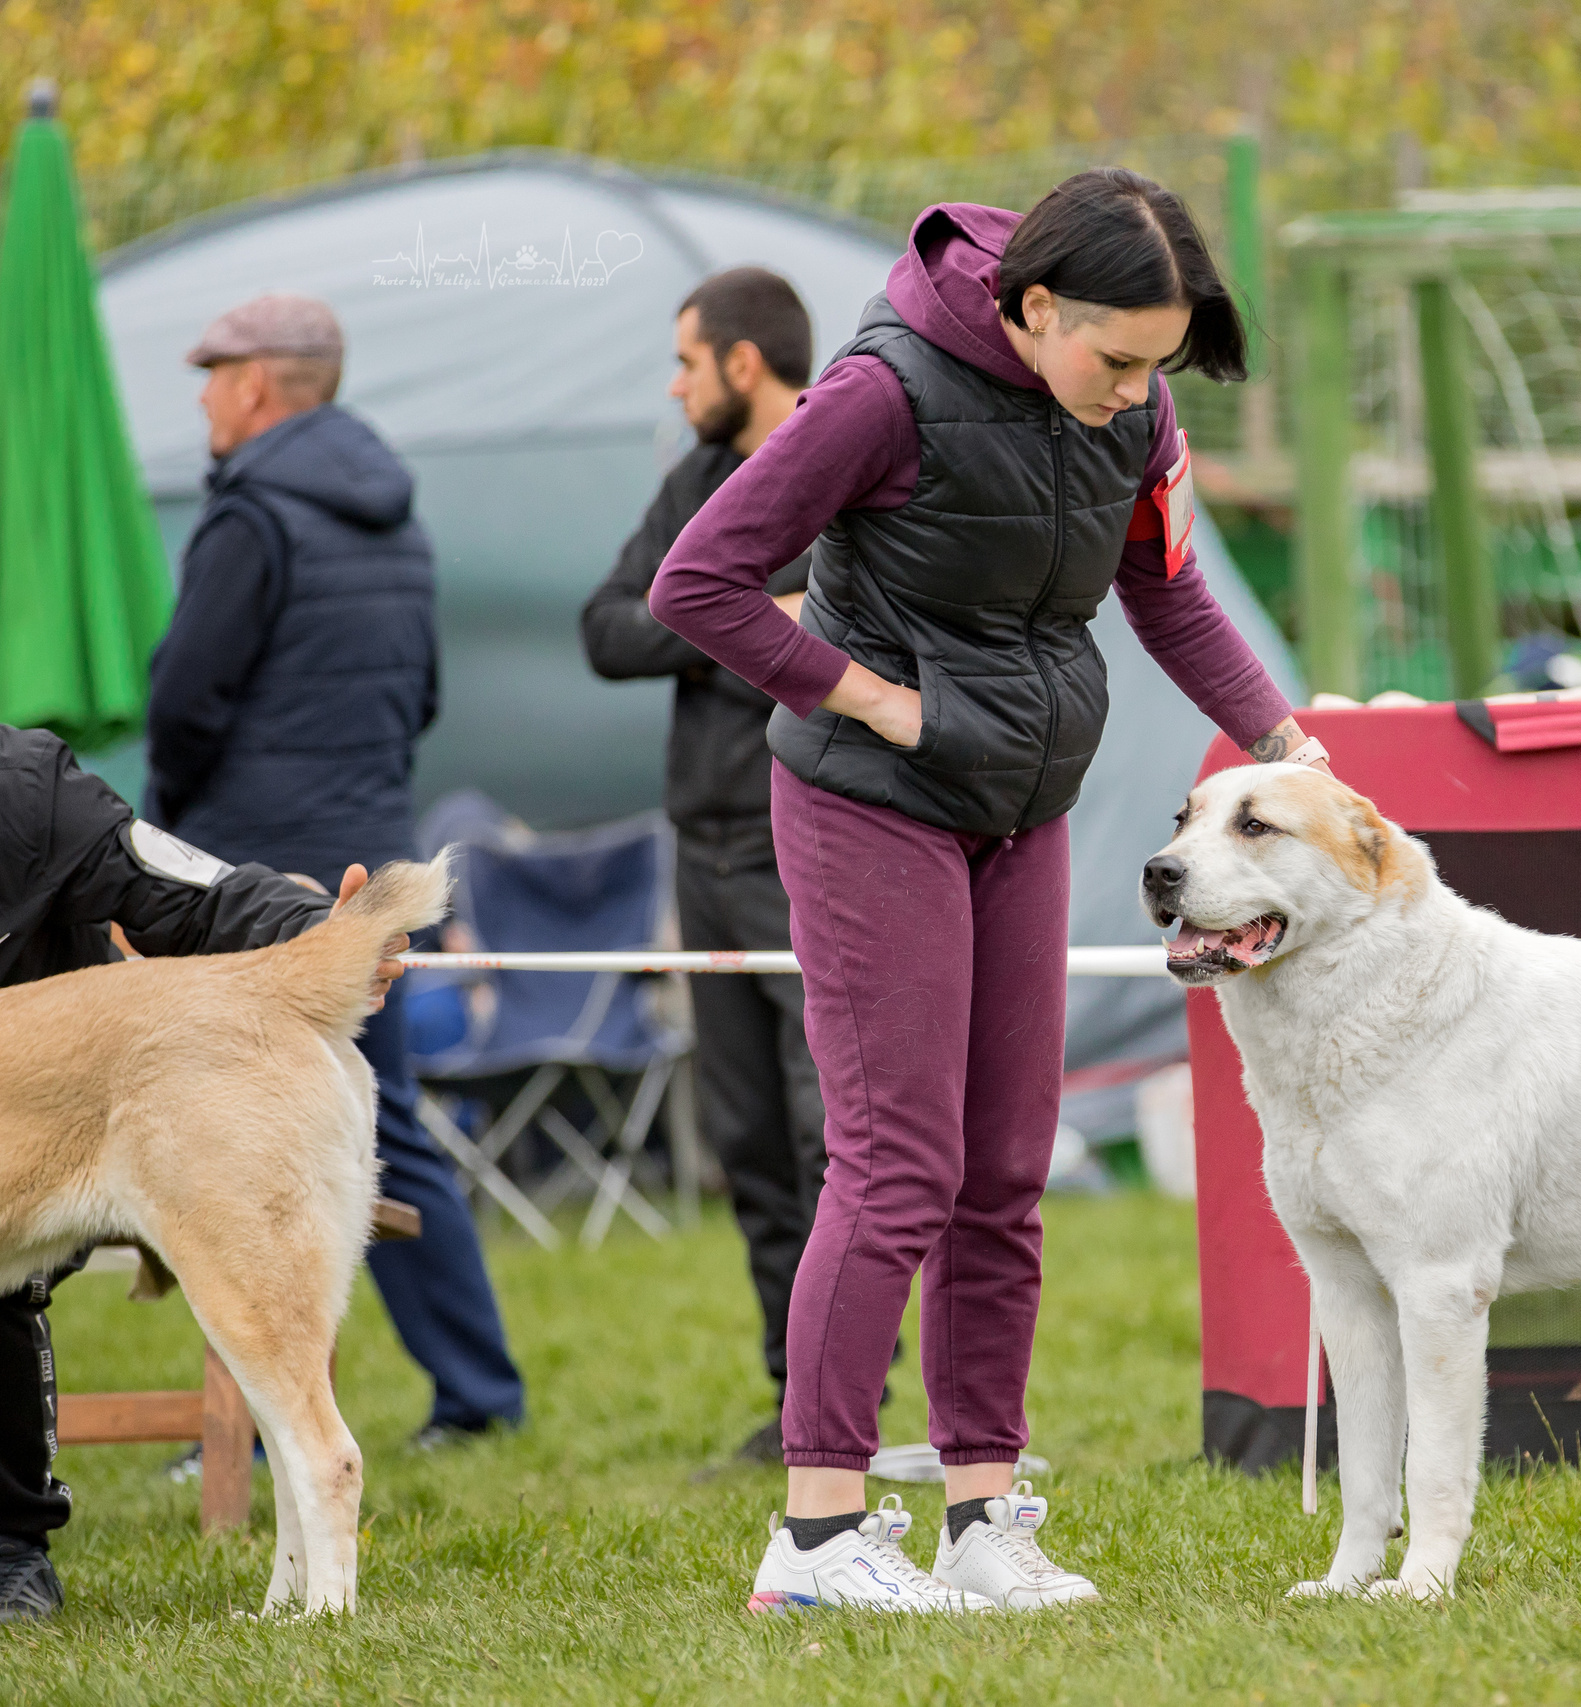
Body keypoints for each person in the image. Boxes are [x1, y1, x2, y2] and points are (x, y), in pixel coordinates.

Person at [651, 170, 1326, 1614]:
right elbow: (697, 581)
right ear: (1031, 309)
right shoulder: (879, 394)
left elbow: (1167, 590)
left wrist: (1285, 737)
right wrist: (870, 702)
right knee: (897, 1160)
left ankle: (980, 1517)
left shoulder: (1128, 409)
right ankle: (819, 1539)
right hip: (864, 796)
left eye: (1160, 363)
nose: (1143, 392)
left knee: (1006, 1168)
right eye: (1121, 358)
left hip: (1024, 800)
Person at [146, 294, 524, 1447]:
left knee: (241, 1158)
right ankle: (479, 1396)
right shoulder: (398, 521)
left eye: (211, 373)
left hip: (255, 882)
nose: (203, 394)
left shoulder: (250, 519)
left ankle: (254, 1432)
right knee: (388, 1130)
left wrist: (172, 834)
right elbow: (422, 700)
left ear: (259, 383)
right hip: (366, 873)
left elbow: (184, 701)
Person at [0, 726, 407, 1621]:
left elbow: (188, 891)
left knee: (260, 1333)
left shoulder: (26, 785)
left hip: (124, 1085)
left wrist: (320, 931)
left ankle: (14, 1549)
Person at [581, 268, 835, 1464]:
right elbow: (608, 627)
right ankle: (795, 1403)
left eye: (688, 361)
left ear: (745, 363)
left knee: (829, 1126)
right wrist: (744, 619)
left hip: (811, 838)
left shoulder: (841, 461)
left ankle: (861, 1399)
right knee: (745, 1138)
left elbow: (845, 627)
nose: (674, 384)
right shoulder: (695, 478)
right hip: (705, 844)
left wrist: (725, 623)